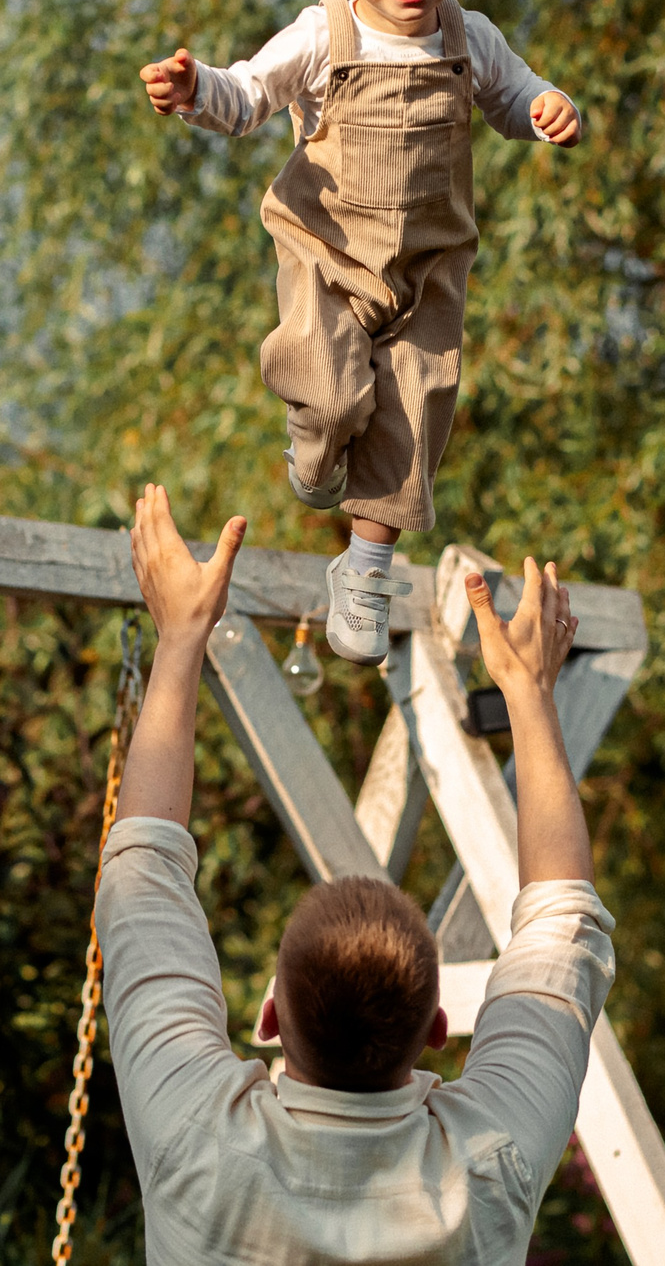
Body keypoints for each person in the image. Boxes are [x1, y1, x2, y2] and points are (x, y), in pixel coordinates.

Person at [98, 483, 615, 1264]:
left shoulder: (195, 1137)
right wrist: (532, 694)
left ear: (270, 1016)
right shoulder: (486, 1166)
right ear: (438, 1030)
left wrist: (178, 638)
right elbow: (563, 922)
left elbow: (143, 873)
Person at [138, 0, 585, 664]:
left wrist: (548, 106)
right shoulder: (319, 37)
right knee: (336, 393)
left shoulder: (470, 37)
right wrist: (197, 90)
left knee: (411, 420)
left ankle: (368, 568)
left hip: (428, 269)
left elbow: (516, 95)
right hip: (328, 257)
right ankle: (313, 446)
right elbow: (245, 98)